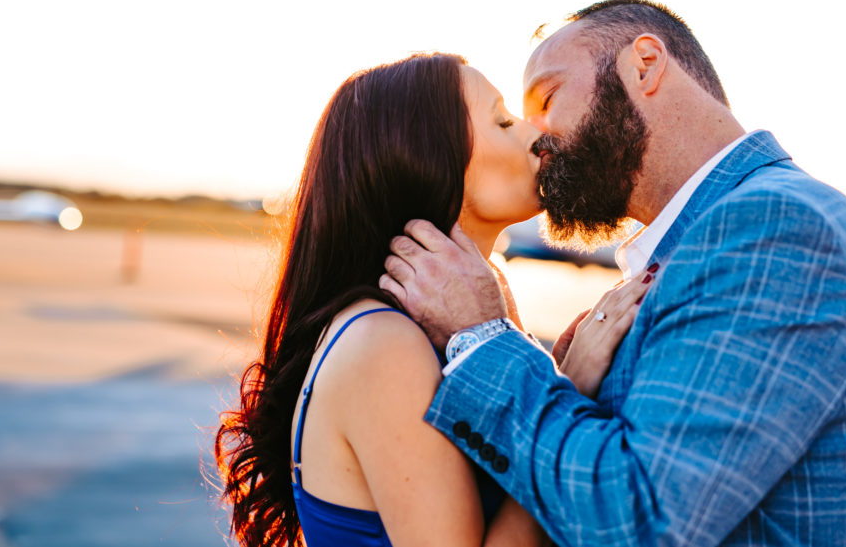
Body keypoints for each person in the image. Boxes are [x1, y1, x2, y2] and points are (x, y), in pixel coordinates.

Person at [381, 0, 846, 546]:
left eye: (546, 98)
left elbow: (639, 523)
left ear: (644, 65)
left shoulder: (774, 227)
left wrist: (483, 342)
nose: (534, 134)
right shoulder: (713, 238)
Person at [215, 53, 648, 547]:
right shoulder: (383, 345)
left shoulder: (460, 314)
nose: (534, 134)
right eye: (503, 121)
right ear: (425, 156)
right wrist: (571, 387)